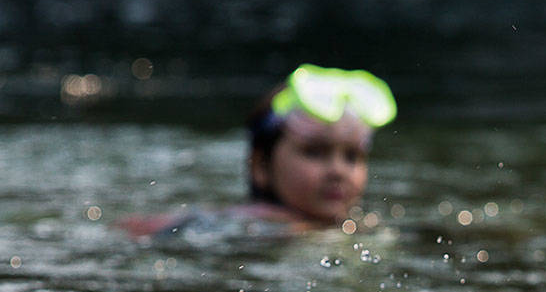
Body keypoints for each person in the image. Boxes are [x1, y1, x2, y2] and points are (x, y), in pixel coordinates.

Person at [120, 64, 396, 237]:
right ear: (261, 167)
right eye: (315, 152)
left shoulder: (360, 227)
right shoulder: (256, 223)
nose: (337, 170)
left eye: (352, 156)